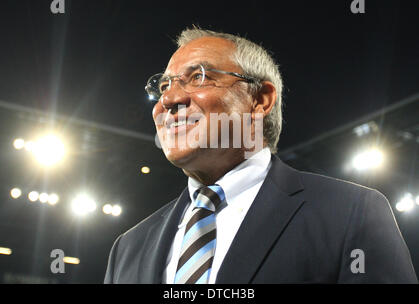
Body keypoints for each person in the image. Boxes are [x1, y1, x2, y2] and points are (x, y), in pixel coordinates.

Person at [104, 27, 417, 284]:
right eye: (163, 85)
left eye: (199, 76)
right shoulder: (128, 247)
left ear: (260, 99)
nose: (169, 99)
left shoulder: (352, 213)